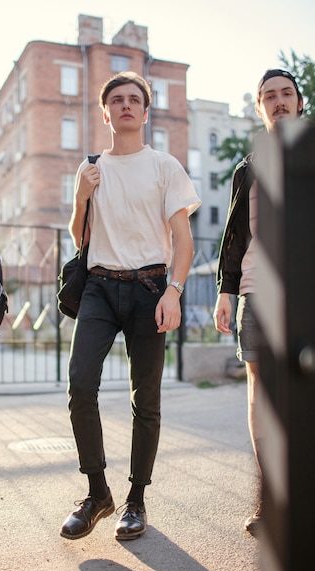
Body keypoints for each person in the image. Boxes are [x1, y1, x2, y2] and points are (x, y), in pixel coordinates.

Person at [60, 71, 201, 541]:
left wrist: (173, 291)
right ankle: (97, 492)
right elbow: (78, 235)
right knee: (80, 384)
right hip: (99, 286)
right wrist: (81, 195)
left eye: (133, 99)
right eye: (116, 100)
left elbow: (183, 240)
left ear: (145, 110)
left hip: (149, 288)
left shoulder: (164, 166)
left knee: (146, 399)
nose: (125, 105)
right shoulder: (91, 167)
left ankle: (136, 499)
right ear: (106, 113)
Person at [213, 69, 304, 535]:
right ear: (259, 108)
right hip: (256, 290)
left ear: (300, 102)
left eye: (286, 93)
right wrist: (226, 291)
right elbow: (235, 234)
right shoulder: (246, 168)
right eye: (269, 96)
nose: (278, 101)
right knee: (262, 394)